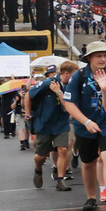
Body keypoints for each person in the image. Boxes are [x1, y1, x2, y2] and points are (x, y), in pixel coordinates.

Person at [63, 41, 106, 211]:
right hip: (85, 126)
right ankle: (91, 197)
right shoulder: (79, 76)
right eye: (98, 56)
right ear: (89, 58)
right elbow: (69, 103)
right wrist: (86, 122)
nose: (103, 59)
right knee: (88, 162)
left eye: (105, 56)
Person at [29, 63, 76, 192]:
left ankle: (60, 180)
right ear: (66, 73)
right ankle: (38, 169)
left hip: (61, 123)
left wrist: (59, 92)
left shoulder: (69, 87)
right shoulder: (47, 83)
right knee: (41, 156)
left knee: (62, 149)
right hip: (44, 123)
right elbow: (29, 95)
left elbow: (67, 105)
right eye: (73, 74)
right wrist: (28, 113)